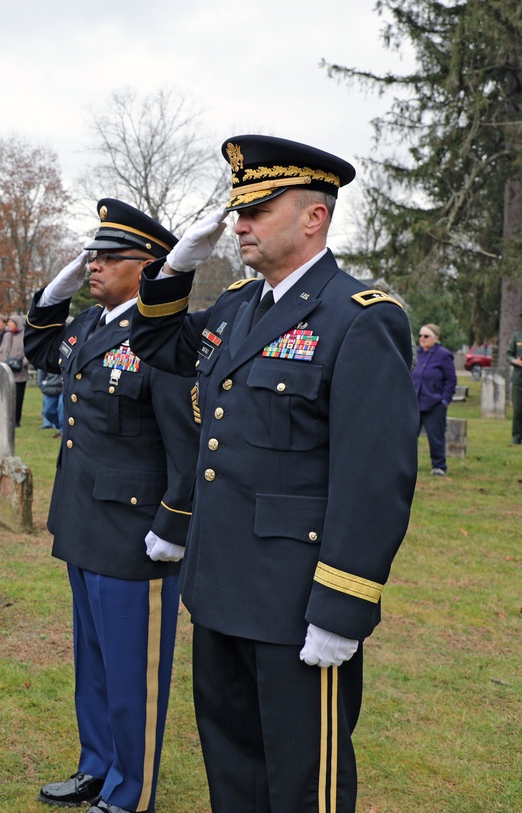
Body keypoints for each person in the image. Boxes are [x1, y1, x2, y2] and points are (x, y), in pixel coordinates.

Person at [130, 135, 419, 813]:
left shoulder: (357, 319)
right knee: (232, 771)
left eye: (258, 208)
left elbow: (374, 477)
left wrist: (343, 607)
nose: (240, 224)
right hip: (220, 584)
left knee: (302, 784)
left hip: (296, 603)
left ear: (313, 217)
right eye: (238, 209)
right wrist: (174, 269)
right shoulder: (236, 307)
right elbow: (156, 344)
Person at [25, 199, 198, 813]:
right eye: (90, 257)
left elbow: (187, 444)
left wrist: (174, 524)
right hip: (84, 520)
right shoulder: (90, 327)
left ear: (148, 265)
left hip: (135, 533)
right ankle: (97, 765)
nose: (93, 266)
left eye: (107, 258)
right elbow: (41, 351)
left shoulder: (164, 338)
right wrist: (54, 292)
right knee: (94, 662)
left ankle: (133, 790)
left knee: (134, 675)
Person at [412, 323, 457, 475]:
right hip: (414, 402)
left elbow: (451, 380)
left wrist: (444, 401)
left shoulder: (444, 355)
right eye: (420, 336)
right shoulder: (416, 353)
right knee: (409, 436)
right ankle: (408, 466)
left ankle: (439, 466)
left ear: (436, 338)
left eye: (426, 336)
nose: (422, 339)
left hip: (434, 403)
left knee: (435, 437)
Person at [0, 314, 29, 427]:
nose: (8, 324)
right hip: (6, 372)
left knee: (18, 399)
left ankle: (16, 421)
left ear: (16, 323)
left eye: (10, 322)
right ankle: (6, 419)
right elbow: (1, 351)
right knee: (6, 398)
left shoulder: (25, 335)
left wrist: (23, 363)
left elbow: (28, 352)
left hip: (20, 374)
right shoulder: (6, 336)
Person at [506, 316, 522, 444]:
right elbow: (509, 354)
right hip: (519, 378)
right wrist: (514, 361)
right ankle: (517, 436)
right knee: (518, 409)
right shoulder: (517, 336)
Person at [37, 368, 63, 433]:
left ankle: (63, 430)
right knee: (48, 411)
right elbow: (40, 376)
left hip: (64, 388)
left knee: (62, 408)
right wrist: (43, 387)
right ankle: (60, 426)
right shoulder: (48, 358)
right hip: (50, 388)